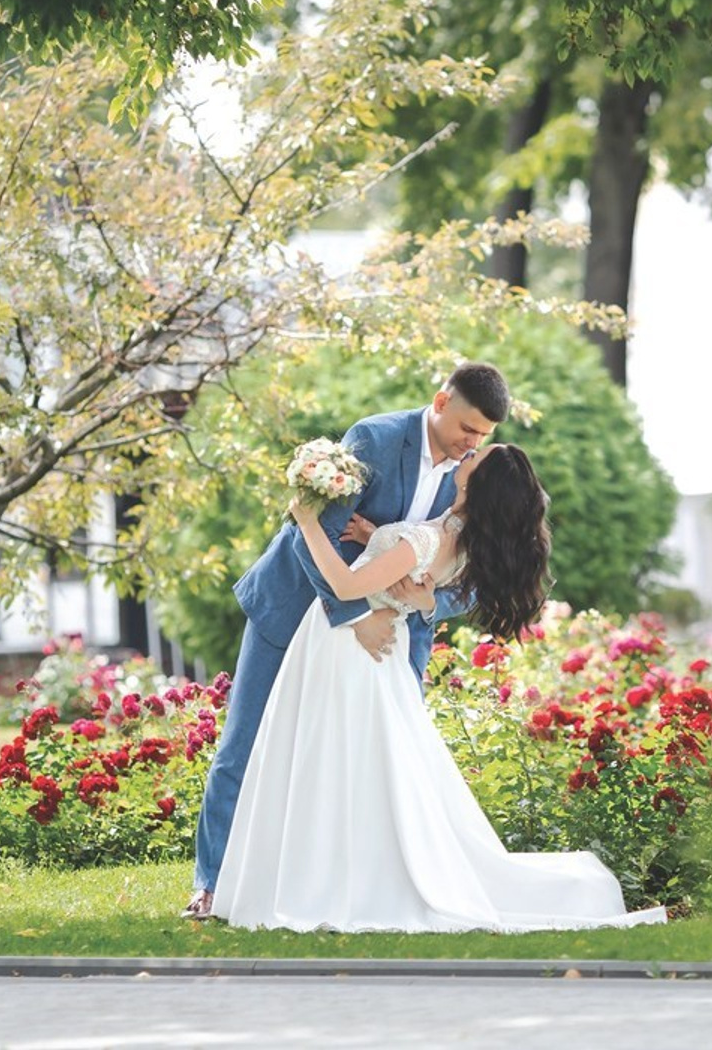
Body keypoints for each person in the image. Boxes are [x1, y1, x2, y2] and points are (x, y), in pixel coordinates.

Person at [210, 443, 668, 932]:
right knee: (352, 771)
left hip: (347, 646)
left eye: (474, 458)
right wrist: (375, 536)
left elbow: (346, 587)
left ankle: (322, 884)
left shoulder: (426, 542)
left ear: (477, 484)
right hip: (369, 649)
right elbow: (403, 568)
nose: (465, 456)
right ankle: (330, 876)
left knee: (326, 762)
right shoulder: (455, 540)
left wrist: (305, 521)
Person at [182, 362, 512, 918]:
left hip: (394, 640)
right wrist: (356, 615)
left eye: (484, 435)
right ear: (440, 402)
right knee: (245, 746)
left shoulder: (475, 476)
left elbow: (482, 570)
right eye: (467, 429)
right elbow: (312, 535)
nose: (472, 444)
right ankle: (212, 883)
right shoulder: (375, 441)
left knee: (380, 764)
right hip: (295, 610)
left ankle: (365, 887)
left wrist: (430, 601)